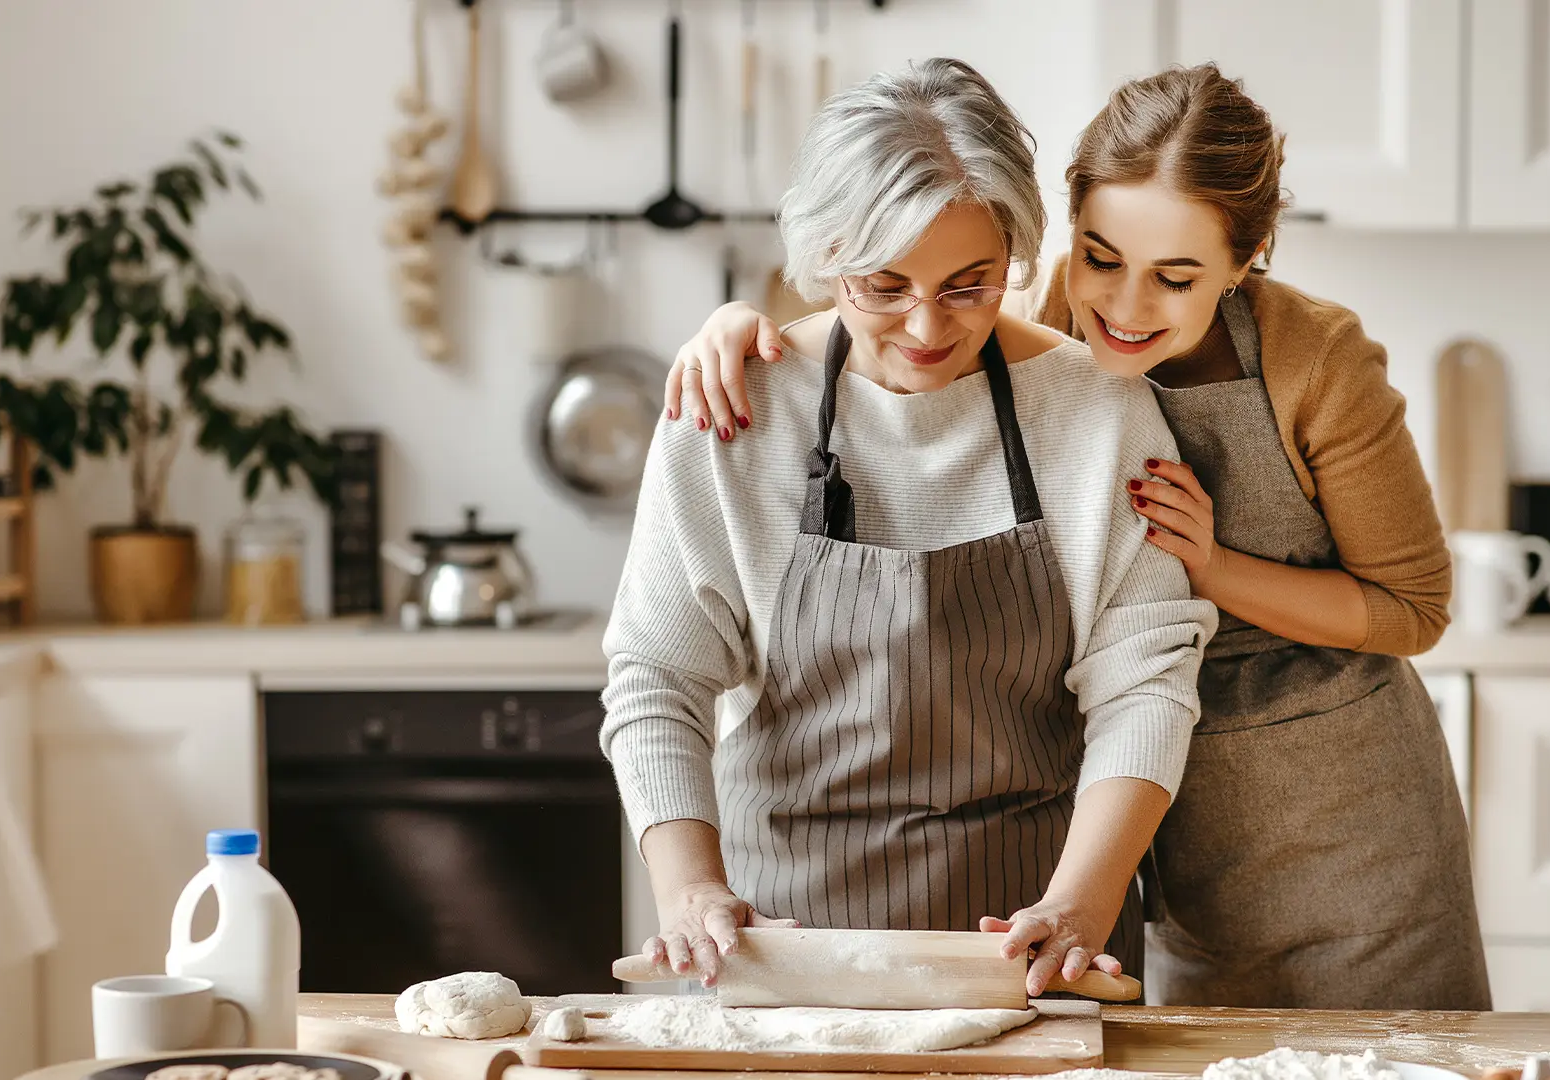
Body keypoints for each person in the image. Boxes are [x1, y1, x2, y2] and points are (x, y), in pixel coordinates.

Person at [657, 62, 1490, 1010]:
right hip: (1160, 821)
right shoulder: (1038, 325)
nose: (1125, 309)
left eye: (1175, 278)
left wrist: (1212, 568)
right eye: (1101, 257)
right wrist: (742, 329)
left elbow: (1413, 610)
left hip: (1338, 814)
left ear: (1248, 259)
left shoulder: (1311, 362)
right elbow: (905, 308)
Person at [599, 57, 1215, 999]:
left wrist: (1081, 905)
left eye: (971, 286)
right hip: (781, 951)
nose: (928, 329)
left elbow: (1146, 683)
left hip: (1035, 951)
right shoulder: (733, 408)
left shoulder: (1098, 413)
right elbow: (657, 675)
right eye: (883, 286)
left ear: (1015, 254)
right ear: (825, 258)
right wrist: (689, 892)